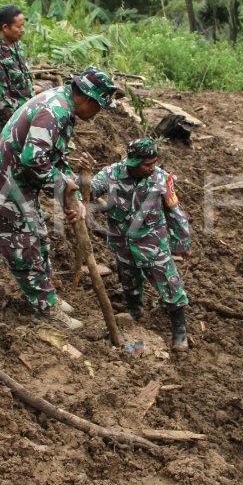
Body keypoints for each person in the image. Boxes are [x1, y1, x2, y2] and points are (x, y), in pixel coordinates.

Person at [0, 67, 122, 330]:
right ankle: (45, 310)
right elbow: (34, 159)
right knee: (25, 248)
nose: (98, 113)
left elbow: (56, 157)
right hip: (6, 188)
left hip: (20, 186)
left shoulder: (63, 105)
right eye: (99, 107)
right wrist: (63, 187)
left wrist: (71, 196)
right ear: (88, 99)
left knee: (39, 239)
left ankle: (48, 298)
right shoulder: (55, 111)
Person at [90, 139, 192, 349]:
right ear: (133, 162)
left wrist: (182, 241)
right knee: (129, 281)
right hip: (123, 243)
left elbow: (175, 212)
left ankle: (179, 330)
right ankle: (135, 311)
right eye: (147, 164)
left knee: (170, 285)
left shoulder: (162, 178)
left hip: (153, 244)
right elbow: (90, 190)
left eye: (154, 162)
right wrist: (81, 180)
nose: (152, 168)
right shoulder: (112, 174)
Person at [0, 5, 33, 133]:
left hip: (27, 113)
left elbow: (23, 80)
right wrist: (17, 127)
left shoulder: (17, 45)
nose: (22, 30)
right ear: (5, 28)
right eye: (18, 26)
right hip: (12, 124)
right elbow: (1, 99)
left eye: (23, 25)